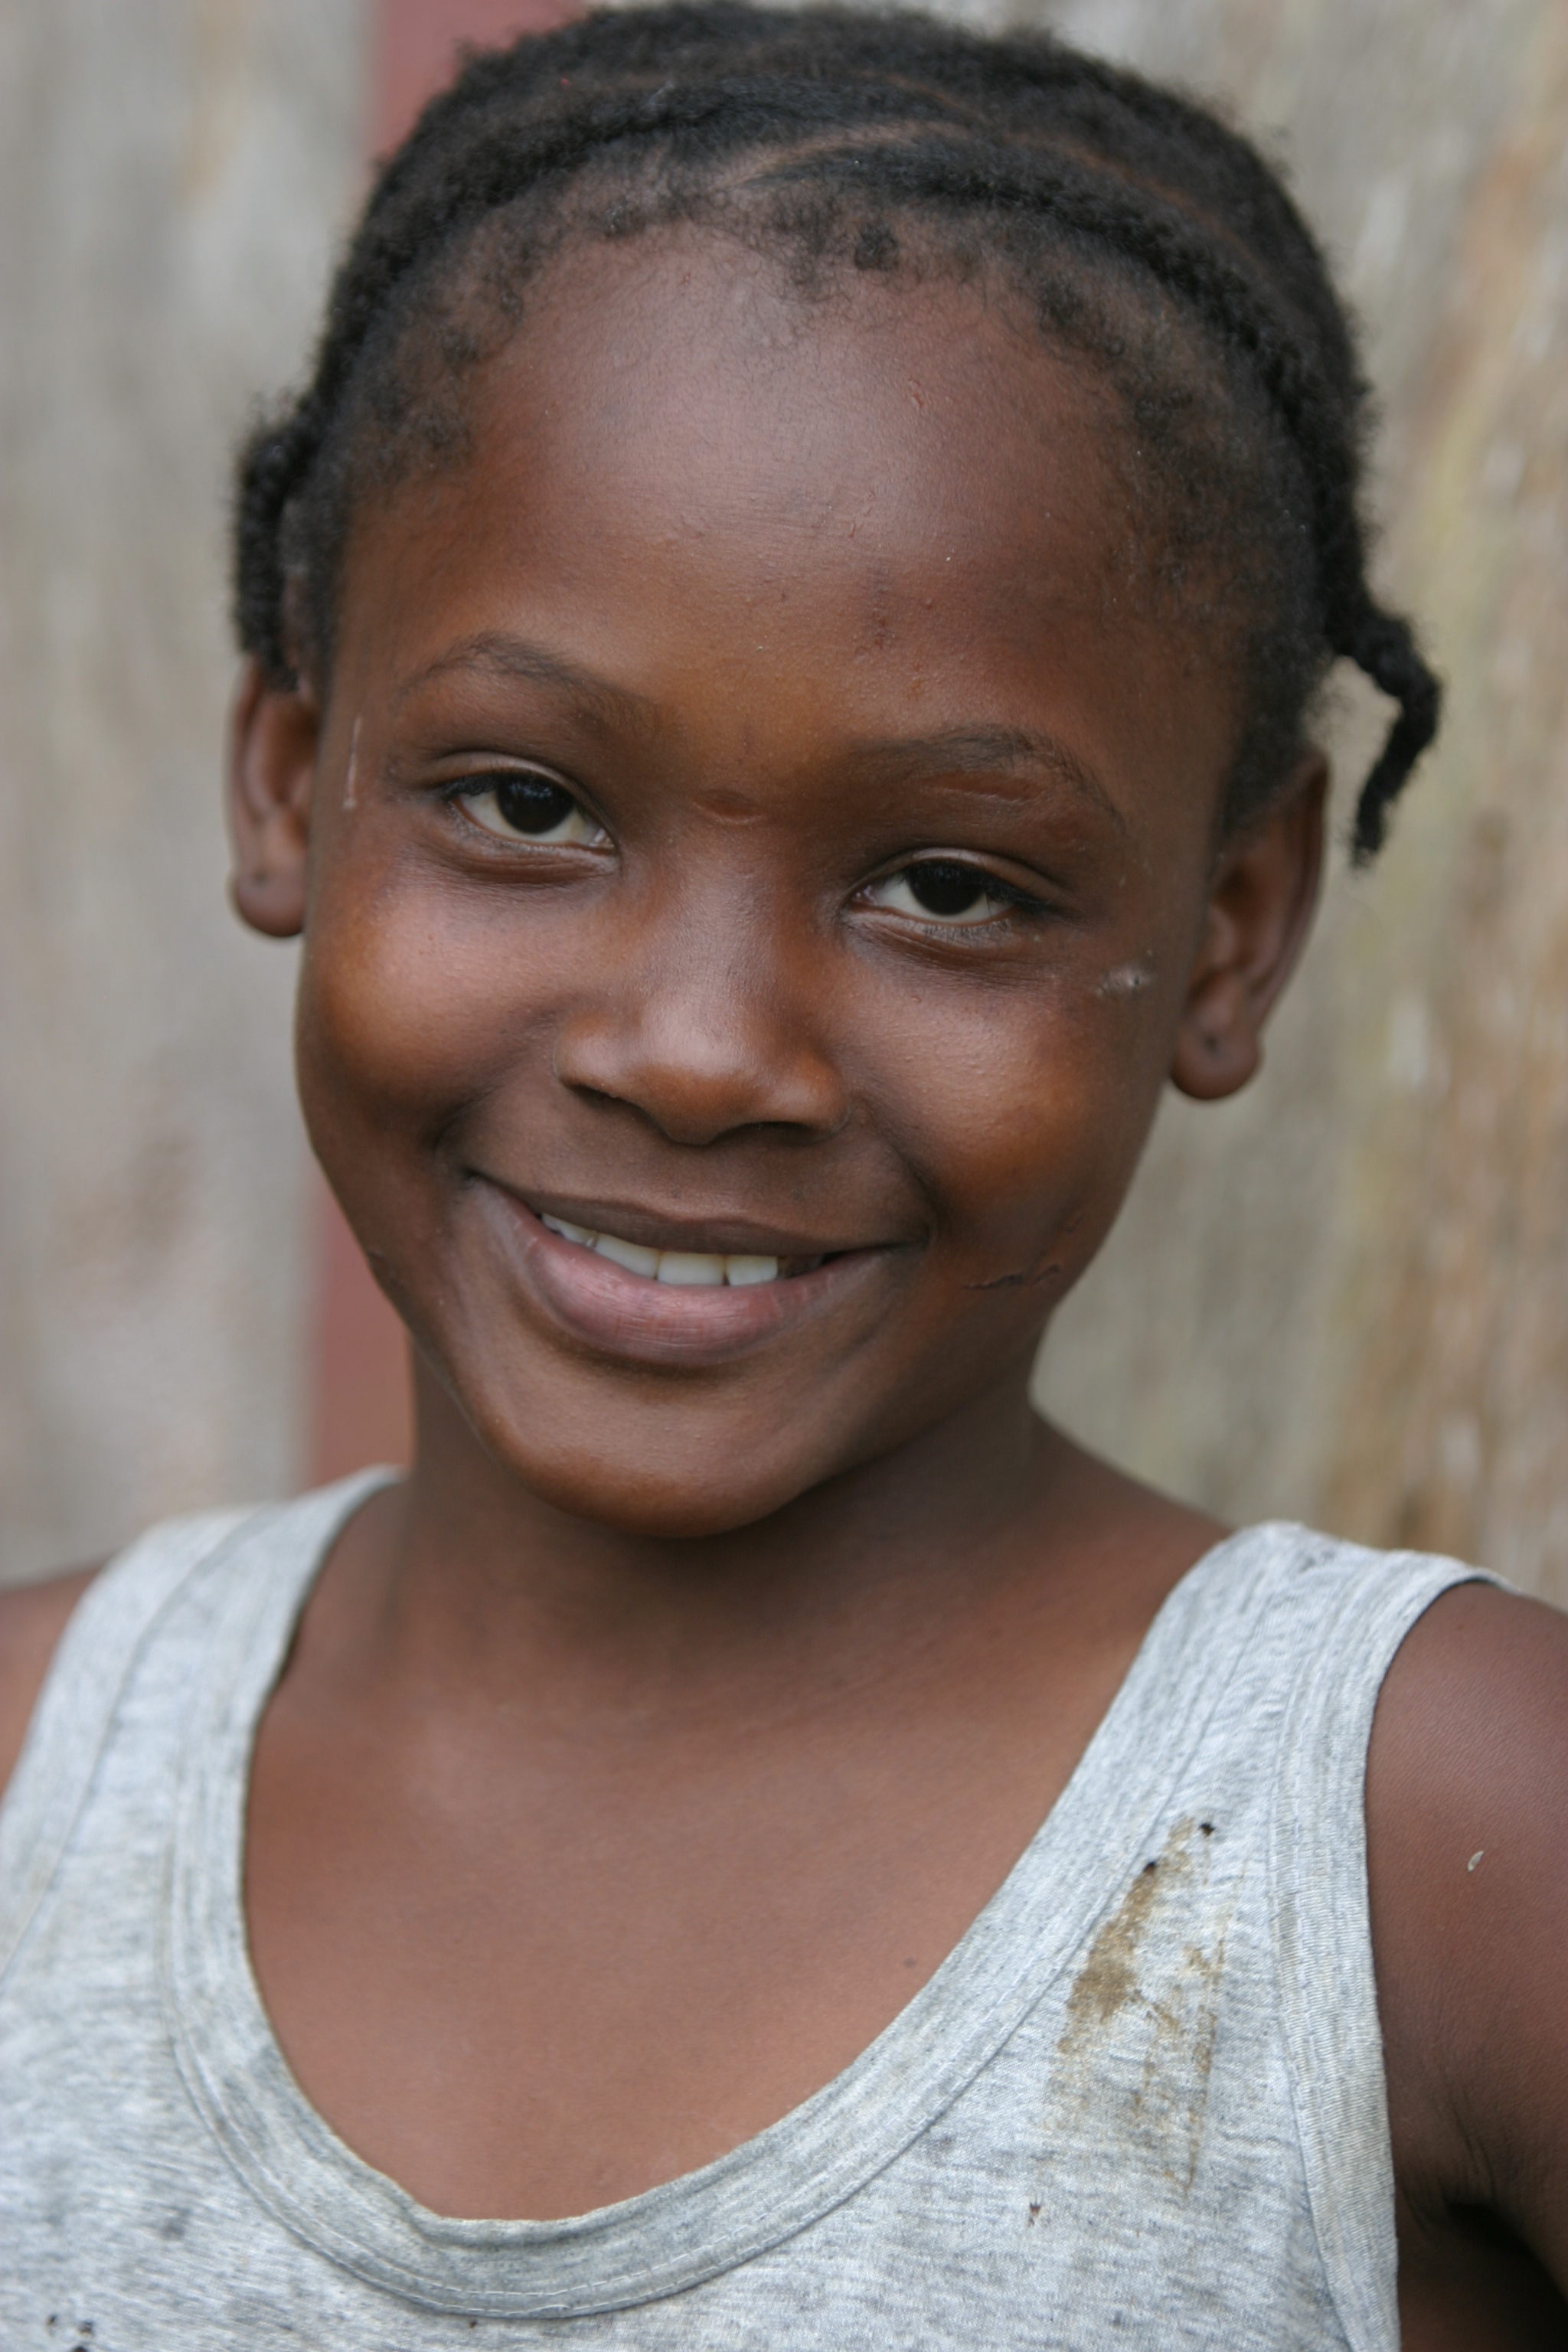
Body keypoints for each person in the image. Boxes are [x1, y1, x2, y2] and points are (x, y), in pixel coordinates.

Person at [1, 6, 1564, 2343]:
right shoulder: (31, 1790)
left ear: (1232, 933)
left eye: (949, 883)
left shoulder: (1432, 1858)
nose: (702, 1053)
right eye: (526, 807)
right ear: (289, 772)